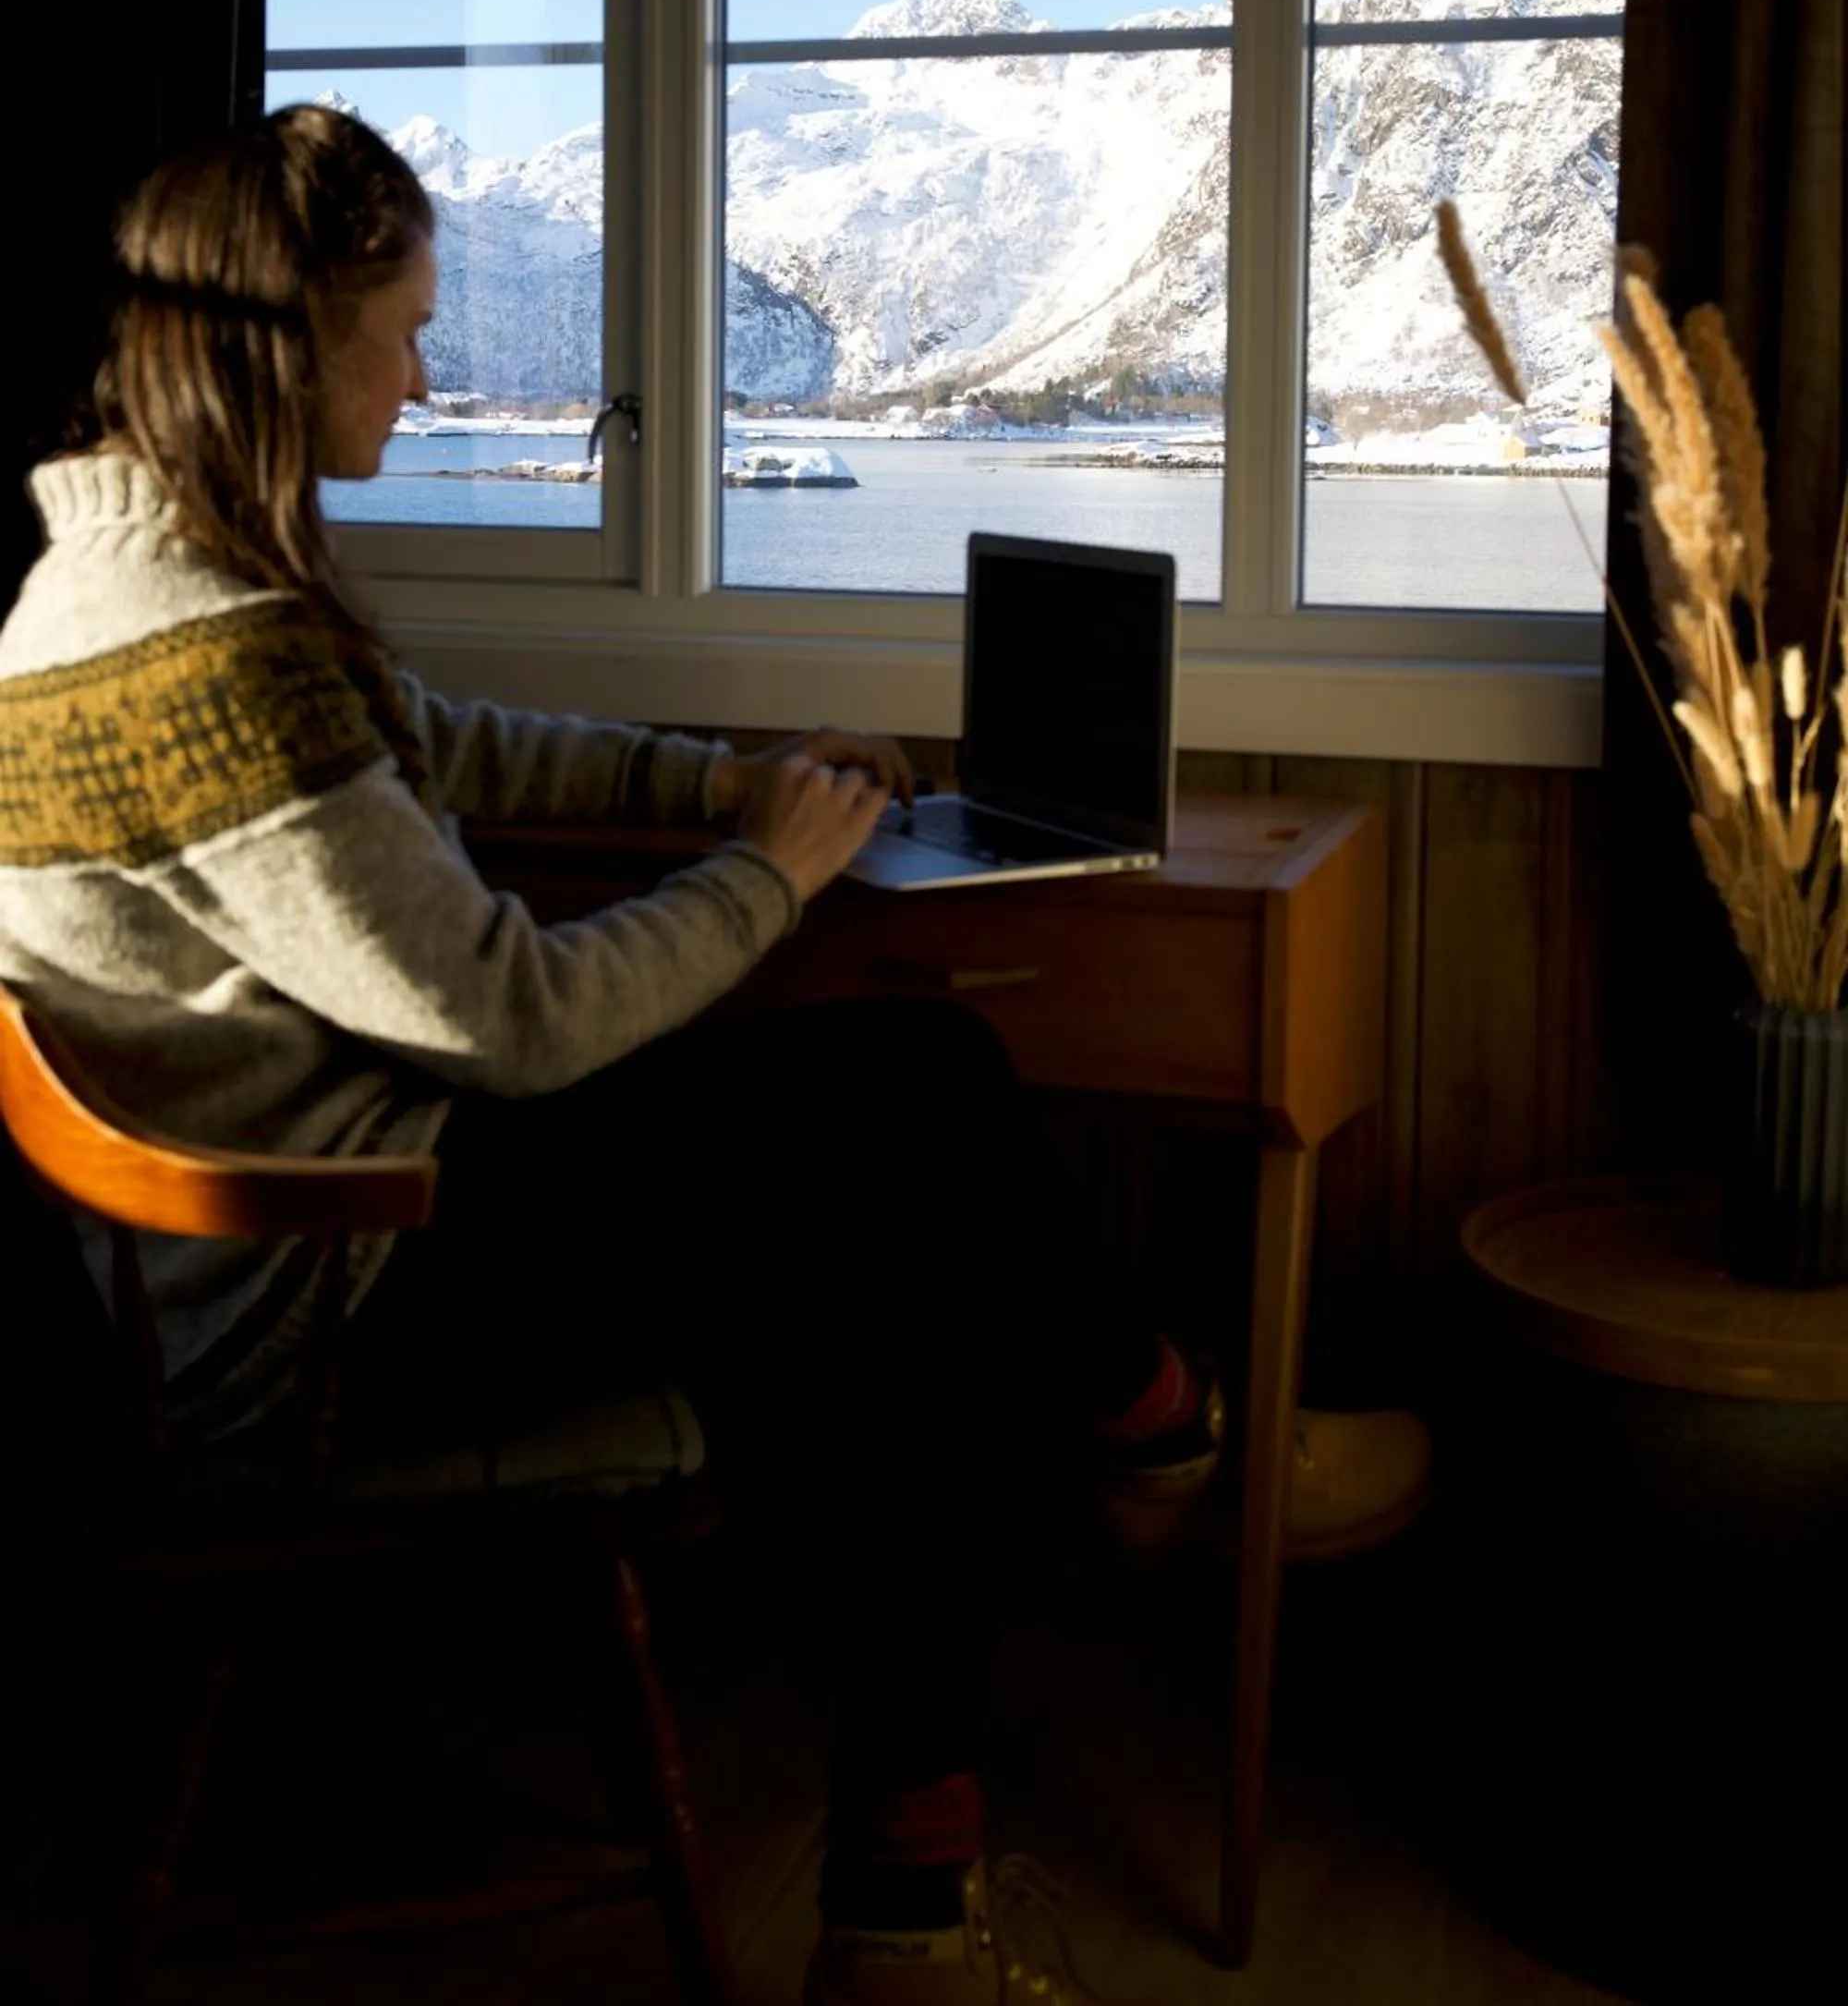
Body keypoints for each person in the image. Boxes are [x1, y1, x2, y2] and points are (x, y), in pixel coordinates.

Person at [0, 102, 1236, 2004]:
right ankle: (1156, 1437)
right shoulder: (207, 654)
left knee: (908, 1144)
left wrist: (729, 779)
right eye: (400, 332)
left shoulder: (120, 588)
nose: (423, 378)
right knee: (915, 1135)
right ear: (284, 341)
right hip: (328, 1306)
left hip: (293, 1248)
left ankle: (1102, 1512)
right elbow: (517, 1022)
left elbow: (446, 745)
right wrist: (767, 867)